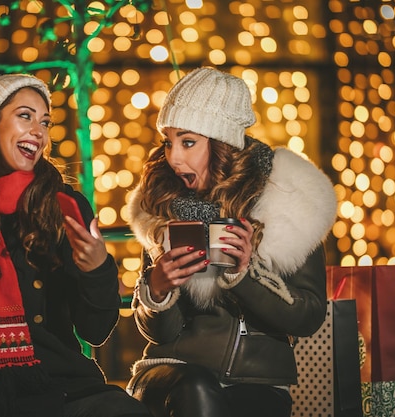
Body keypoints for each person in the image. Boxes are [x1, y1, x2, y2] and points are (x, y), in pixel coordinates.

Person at [0, 73, 151, 417]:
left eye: (45, 121)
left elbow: (95, 332)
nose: (39, 130)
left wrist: (98, 269)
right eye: (25, 115)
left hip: (66, 386)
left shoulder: (66, 205)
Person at [125, 67, 338, 417]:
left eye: (188, 141)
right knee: (197, 387)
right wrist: (158, 287)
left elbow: (307, 317)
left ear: (221, 140)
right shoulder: (162, 203)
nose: (173, 157)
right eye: (168, 141)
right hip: (174, 372)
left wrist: (245, 277)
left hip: (260, 380)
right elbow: (160, 334)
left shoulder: (292, 201)